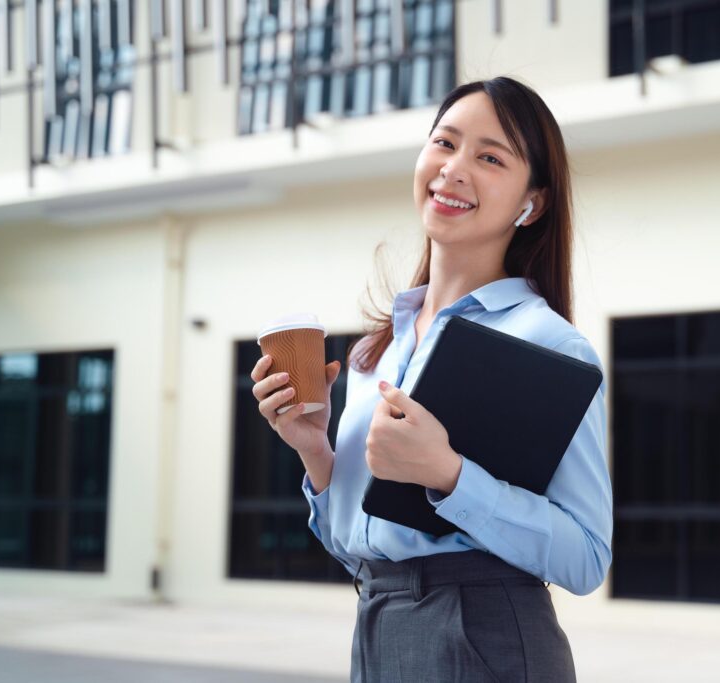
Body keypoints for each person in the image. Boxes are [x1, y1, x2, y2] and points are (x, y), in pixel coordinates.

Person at [250, 76, 612, 682]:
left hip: (486, 636)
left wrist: (449, 475)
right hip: (379, 622)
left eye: (490, 157)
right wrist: (316, 453)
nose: (454, 168)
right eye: (444, 142)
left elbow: (586, 556)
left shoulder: (547, 342)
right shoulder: (377, 351)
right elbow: (362, 547)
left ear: (534, 203)